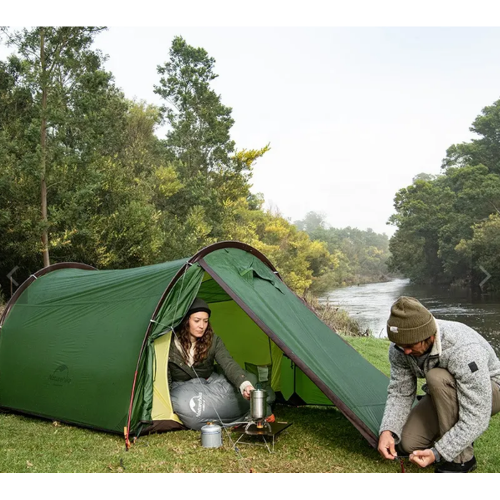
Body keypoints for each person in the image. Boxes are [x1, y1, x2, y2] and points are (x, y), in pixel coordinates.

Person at [378, 296, 500, 473]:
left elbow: (477, 414)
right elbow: (400, 392)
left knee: (436, 377)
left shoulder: (463, 350)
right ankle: (452, 434)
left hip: (491, 390)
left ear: (430, 336)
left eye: (411, 345)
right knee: (408, 443)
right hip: (446, 391)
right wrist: (388, 431)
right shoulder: (400, 350)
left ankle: (462, 459)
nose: (406, 351)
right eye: (400, 345)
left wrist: (439, 453)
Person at [168, 297, 255, 402]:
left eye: (205, 321)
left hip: (207, 386)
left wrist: (245, 385)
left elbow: (228, 363)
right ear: (186, 321)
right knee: (181, 402)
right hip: (181, 389)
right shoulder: (170, 344)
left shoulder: (213, 340)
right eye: (197, 321)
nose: (202, 326)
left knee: (248, 379)